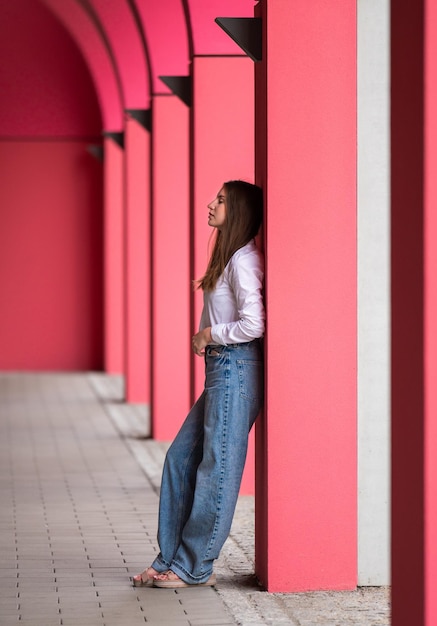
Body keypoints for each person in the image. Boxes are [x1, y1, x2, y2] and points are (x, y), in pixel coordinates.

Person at [132, 180, 265, 589]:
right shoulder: (229, 260)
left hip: (235, 369)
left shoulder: (244, 261)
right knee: (179, 459)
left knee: (217, 468)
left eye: (221, 200)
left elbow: (254, 324)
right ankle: (169, 557)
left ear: (238, 210)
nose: (211, 204)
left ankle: (193, 566)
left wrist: (208, 335)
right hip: (222, 371)